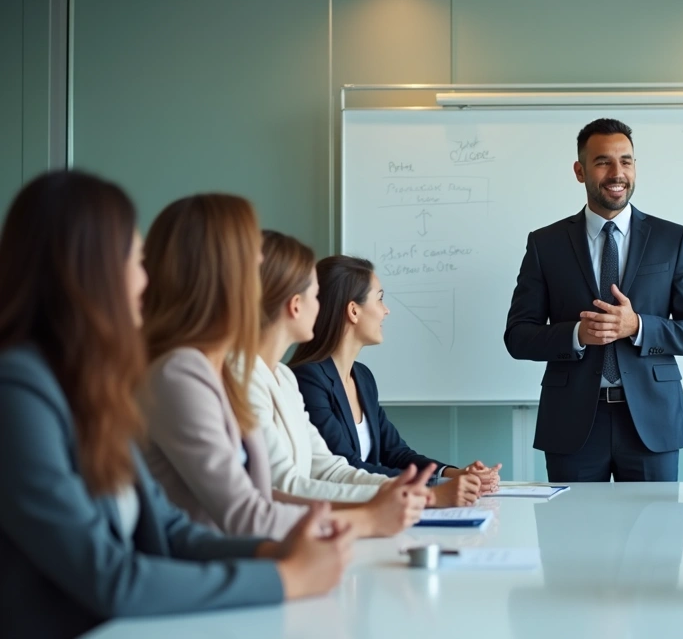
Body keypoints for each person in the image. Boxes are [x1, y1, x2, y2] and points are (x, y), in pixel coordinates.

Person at [0, 171, 352, 638]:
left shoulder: (92, 385)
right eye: (137, 259)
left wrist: (272, 553)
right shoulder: (18, 391)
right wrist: (285, 578)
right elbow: (111, 577)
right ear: (92, 269)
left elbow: (167, 527)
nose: (145, 280)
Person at [139, 194, 431, 539]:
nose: (262, 274)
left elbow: (292, 484)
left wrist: (388, 495)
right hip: (224, 570)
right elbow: (253, 510)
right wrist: (368, 518)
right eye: (253, 259)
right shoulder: (184, 373)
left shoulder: (243, 372)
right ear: (221, 274)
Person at [504, 118, 683, 482]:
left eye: (627, 161)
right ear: (580, 171)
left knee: (657, 537)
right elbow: (518, 336)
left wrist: (639, 327)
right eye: (603, 161)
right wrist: (575, 335)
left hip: (653, 423)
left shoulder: (672, 239)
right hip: (572, 425)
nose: (617, 172)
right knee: (572, 537)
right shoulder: (545, 244)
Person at [291, 255, 496, 506]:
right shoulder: (307, 379)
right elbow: (344, 466)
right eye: (379, 299)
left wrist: (453, 474)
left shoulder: (362, 377)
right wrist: (435, 488)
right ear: (353, 310)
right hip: (339, 513)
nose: (386, 310)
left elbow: (395, 453)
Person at [254, 230, 405, 502]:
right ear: (295, 305)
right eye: (315, 296)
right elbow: (284, 486)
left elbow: (329, 468)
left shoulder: (285, 379)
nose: (322, 307)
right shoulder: (252, 379)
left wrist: (415, 489)